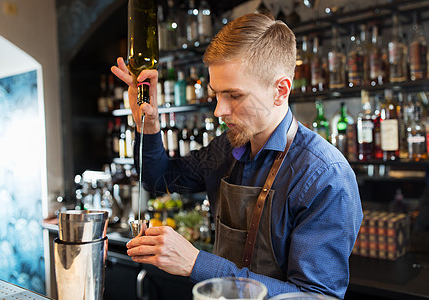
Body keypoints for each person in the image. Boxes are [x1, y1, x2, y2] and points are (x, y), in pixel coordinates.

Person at [111, 13, 363, 299]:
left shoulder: (325, 176)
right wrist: (149, 123)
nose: (219, 110)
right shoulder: (225, 149)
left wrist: (196, 263)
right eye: (216, 94)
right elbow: (161, 181)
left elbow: (315, 297)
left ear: (280, 91)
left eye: (234, 95)